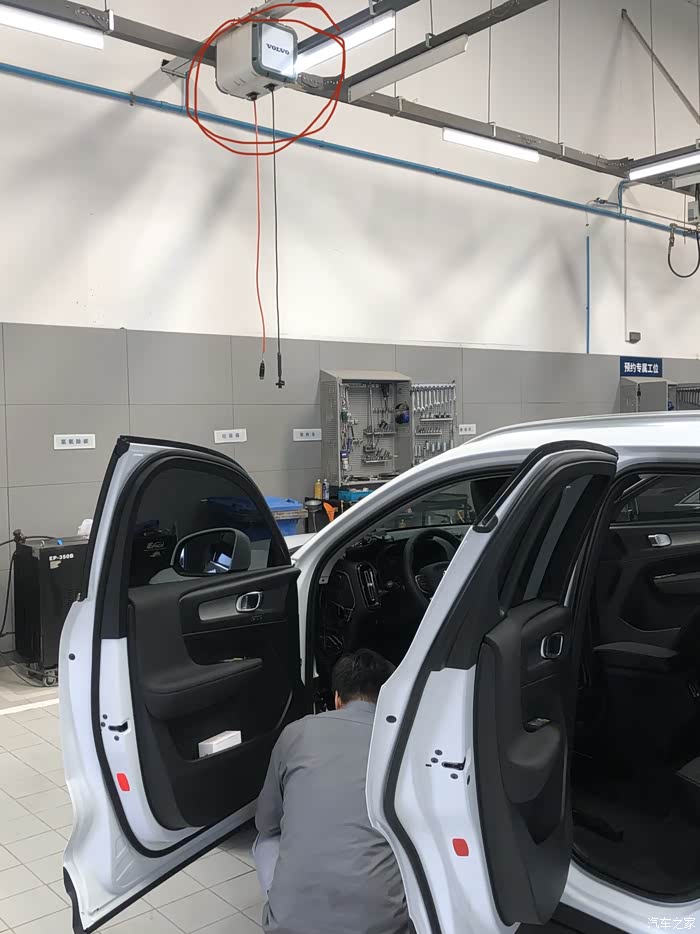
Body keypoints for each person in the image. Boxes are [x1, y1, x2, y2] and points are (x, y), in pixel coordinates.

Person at [253, 649, 409, 934]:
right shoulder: (404, 741)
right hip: (382, 926)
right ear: (389, 698)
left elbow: (266, 823)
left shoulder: (296, 732)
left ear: (337, 698)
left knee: (264, 841)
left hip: (288, 926)